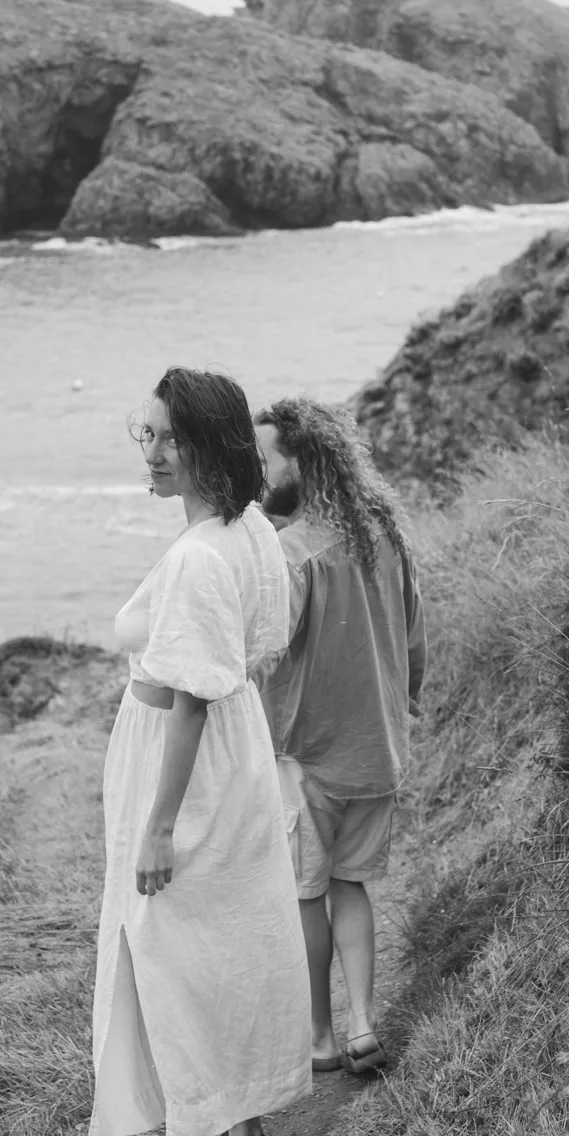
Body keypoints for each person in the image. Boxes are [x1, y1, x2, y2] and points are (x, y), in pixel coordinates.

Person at [89, 366, 312, 1136]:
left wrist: (157, 826)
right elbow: (252, 657)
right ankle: (245, 1135)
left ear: (209, 446)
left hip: (182, 760)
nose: (150, 453)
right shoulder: (252, 528)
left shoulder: (193, 557)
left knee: (169, 954)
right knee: (233, 940)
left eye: (167, 439)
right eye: (143, 434)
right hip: (240, 754)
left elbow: (185, 702)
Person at [255, 397, 426, 1077]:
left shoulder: (291, 555)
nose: (258, 473)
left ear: (302, 461)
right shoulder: (385, 534)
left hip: (307, 754)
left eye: (265, 459)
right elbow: (415, 639)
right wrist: (404, 707)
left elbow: (264, 653)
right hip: (379, 748)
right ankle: (362, 1024)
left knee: (305, 894)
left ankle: (322, 1037)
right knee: (352, 887)